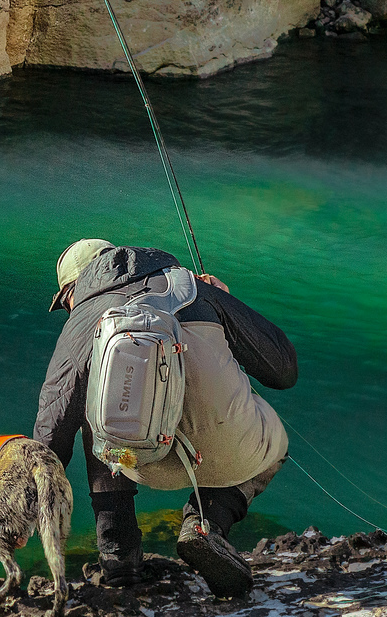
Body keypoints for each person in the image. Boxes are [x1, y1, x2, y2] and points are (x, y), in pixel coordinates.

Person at [32, 238, 298, 597]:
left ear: (73, 291)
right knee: (273, 437)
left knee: (94, 415)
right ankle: (206, 525)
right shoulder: (190, 285)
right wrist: (220, 301)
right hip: (230, 454)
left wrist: (23, 505)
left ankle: (120, 561)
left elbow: (51, 432)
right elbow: (283, 370)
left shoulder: (83, 318)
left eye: (65, 303)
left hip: (135, 460)